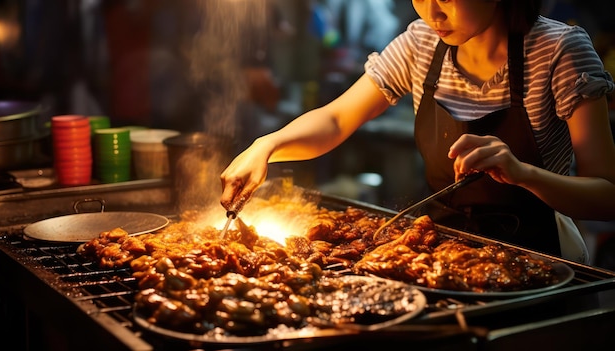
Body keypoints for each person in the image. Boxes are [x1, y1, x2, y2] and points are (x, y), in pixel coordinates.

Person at [220, 0, 615, 261]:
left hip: (542, 256)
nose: (432, 14)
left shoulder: (558, 50)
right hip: (444, 251)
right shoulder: (421, 42)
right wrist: (267, 145)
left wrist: (523, 173)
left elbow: (606, 196)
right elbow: (337, 119)